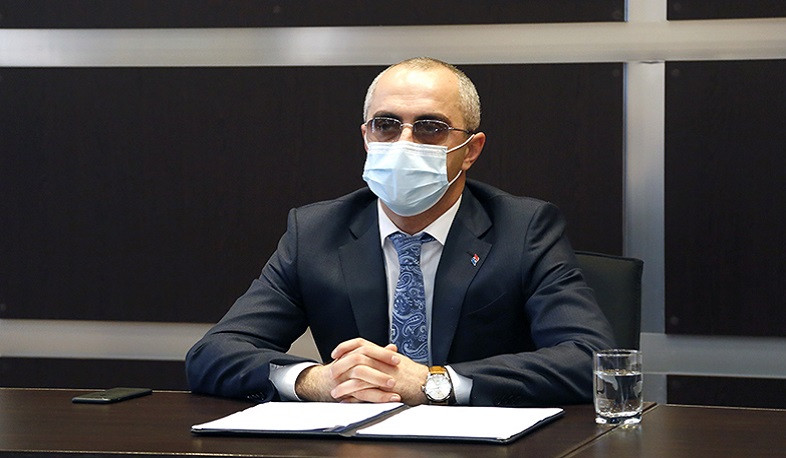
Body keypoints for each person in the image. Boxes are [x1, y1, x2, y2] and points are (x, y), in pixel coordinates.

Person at [185, 57, 614, 407]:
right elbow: (213, 354)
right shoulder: (315, 231)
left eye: (430, 128)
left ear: (470, 150)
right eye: (386, 125)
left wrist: (435, 383)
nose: (404, 142)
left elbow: (588, 359)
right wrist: (317, 381)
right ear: (366, 137)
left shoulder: (522, 228)